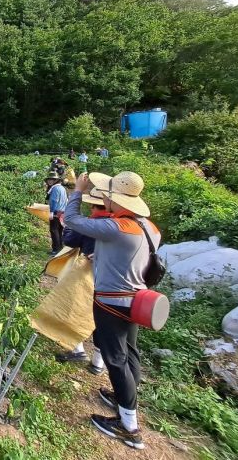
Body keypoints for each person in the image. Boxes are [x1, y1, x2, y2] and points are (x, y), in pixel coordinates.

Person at [65, 171, 160, 450]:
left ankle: (128, 426)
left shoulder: (116, 228)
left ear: (116, 199)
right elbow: (131, 258)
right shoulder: (149, 227)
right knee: (130, 352)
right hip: (137, 298)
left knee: (115, 358)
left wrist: (78, 191)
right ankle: (125, 399)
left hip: (113, 301)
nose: (103, 198)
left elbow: (71, 221)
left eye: (106, 195)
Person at [55, 191, 110, 375]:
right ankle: (98, 362)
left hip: (88, 274)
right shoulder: (120, 225)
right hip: (113, 281)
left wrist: (69, 226)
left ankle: (77, 349)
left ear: (95, 207)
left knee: (75, 307)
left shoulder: (91, 224)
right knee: (102, 318)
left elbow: (69, 240)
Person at [44, 172, 67, 255]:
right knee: (59, 230)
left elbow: (54, 201)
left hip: (56, 212)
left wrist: (51, 212)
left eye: (52, 179)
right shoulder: (62, 188)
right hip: (62, 212)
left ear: (56, 180)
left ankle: (56, 249)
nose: (50, 181)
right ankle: (60, 248)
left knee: (54, 230)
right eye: (49, 179)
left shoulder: (55, 189)